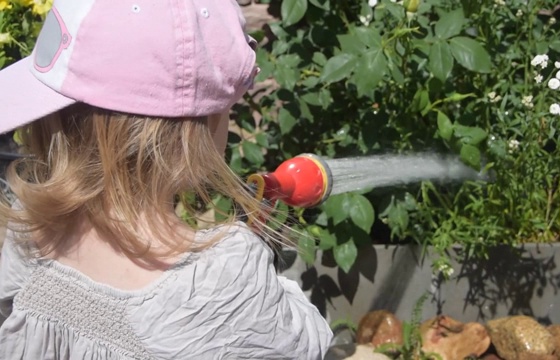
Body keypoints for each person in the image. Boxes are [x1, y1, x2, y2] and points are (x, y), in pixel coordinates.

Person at [0, 0, 332, 359]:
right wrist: (262, 285)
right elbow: (296, 343)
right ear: (209, 124)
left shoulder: (27, 229)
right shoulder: (221, 284)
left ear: (51, 118)